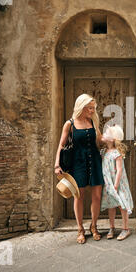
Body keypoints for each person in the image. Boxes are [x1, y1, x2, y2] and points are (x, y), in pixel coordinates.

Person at [54, 94, 105, 244]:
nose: (92, 110)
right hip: (78, 163)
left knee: (97, 196)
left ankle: (94, 227)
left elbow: (100, 140)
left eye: (93, 108)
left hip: (95, 161)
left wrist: (113, 139)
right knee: (79, 196)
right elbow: (61, 145)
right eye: (90, 108)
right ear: (81, 107)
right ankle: (80, 229)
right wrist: (57, 164)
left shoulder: (93, 121)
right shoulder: (69, 124)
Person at [100, 124, 134, 241]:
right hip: (109, 184)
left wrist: (116, 184)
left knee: (122, 204)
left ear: (112, 139)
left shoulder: (117, 153)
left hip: (118, 184)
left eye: (106, 133)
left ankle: (125, 228)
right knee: (111, 204)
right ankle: (112, 227)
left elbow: (119, 170)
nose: (103, 134)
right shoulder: (104, 151)